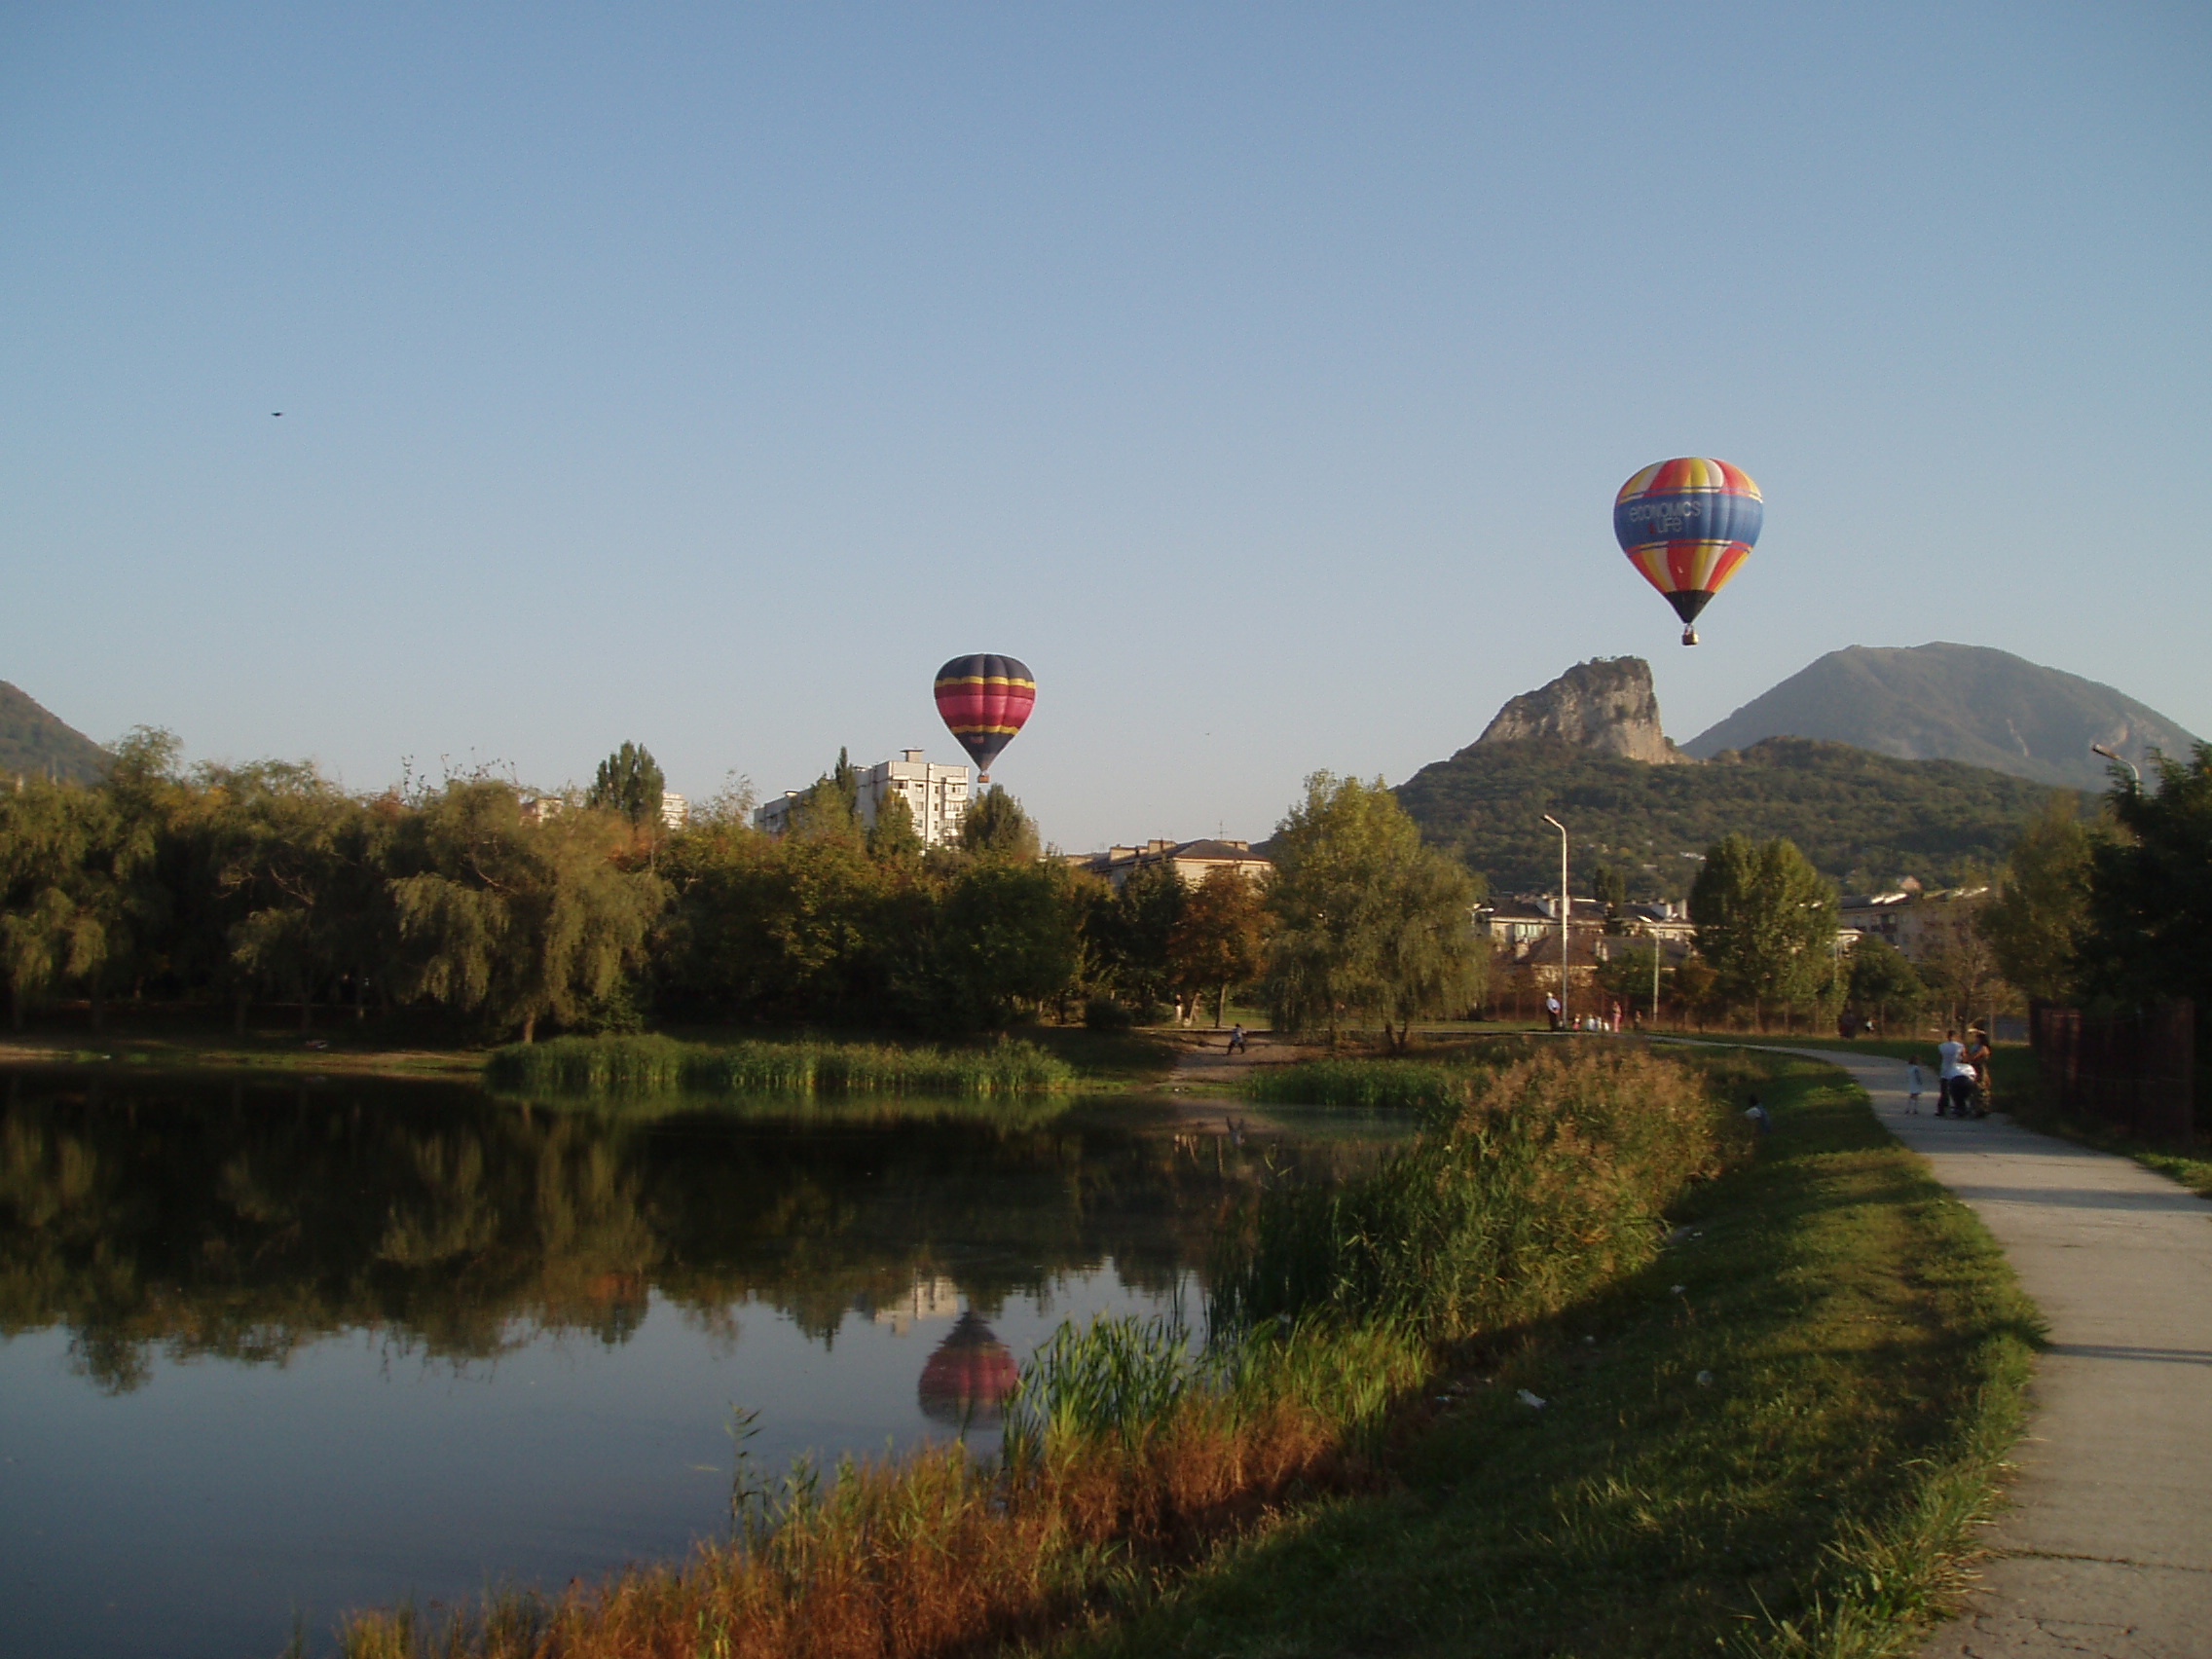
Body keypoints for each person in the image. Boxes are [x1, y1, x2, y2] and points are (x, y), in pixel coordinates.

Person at [1936, 1028, 1967, 1117]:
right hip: (1956, 1070)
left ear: (1948, 1036)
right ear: (1956, 1036)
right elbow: (1964, 1057)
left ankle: (1942, 1108)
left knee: (1944, 1091)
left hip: (1945, 1070)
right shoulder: (1960, 1046)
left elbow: (1941, 1057)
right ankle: (1960, 1108)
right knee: (1957, 1091)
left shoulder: (1941, 1046)